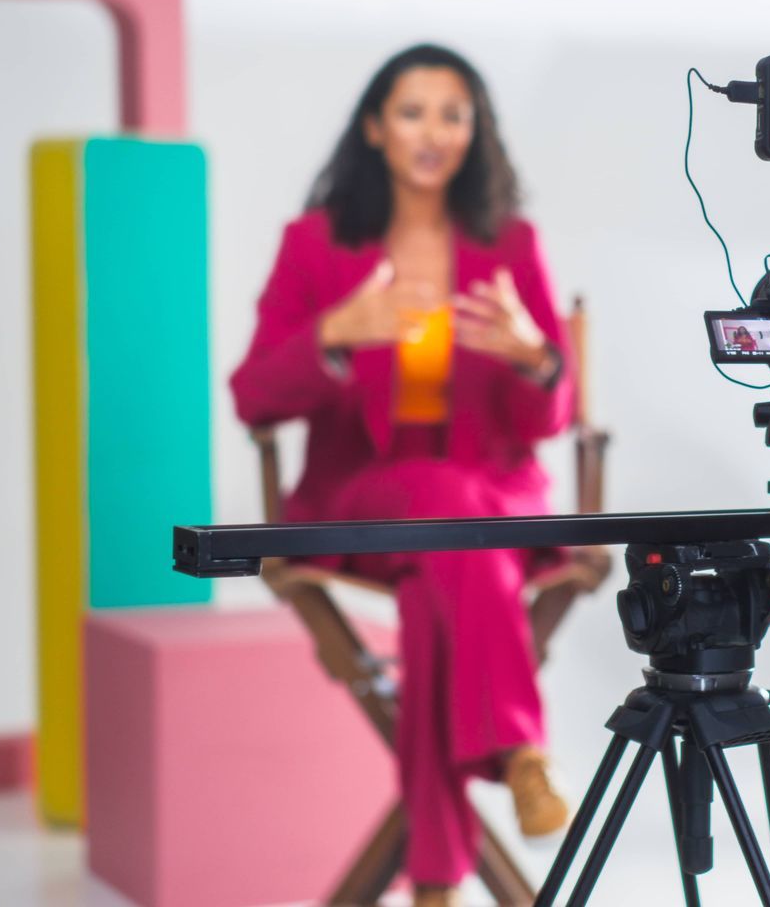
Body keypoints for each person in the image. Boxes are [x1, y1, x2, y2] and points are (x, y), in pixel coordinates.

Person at [231, 44, 584, 907]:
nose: (435, 132)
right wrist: (333, 337)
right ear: (375, 128)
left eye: (454, 113)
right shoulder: (314, 247)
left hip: (486, 510)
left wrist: (537, 358)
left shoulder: (511, 244)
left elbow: (550, 416)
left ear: (477, 131)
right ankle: (517, 748)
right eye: (414, 111)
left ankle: (435, 882)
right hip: (363, 498)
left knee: (442, 590)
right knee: (444, 512)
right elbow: (252, 396)